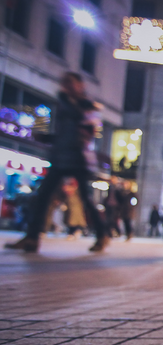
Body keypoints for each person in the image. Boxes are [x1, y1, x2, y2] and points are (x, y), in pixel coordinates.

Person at [5, 72, 108, 253]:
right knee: (42, 196)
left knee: (86, 198)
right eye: (64, 83)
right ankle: (32, 237)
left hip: (79, 159)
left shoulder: (86, 106)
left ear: (79, 86)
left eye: (70, 83)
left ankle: (102, 235)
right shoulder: (63, 104)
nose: (66, 86)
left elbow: (88, 132)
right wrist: (46, 137)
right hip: (60, 157)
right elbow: (63, 135)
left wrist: (78, 112)